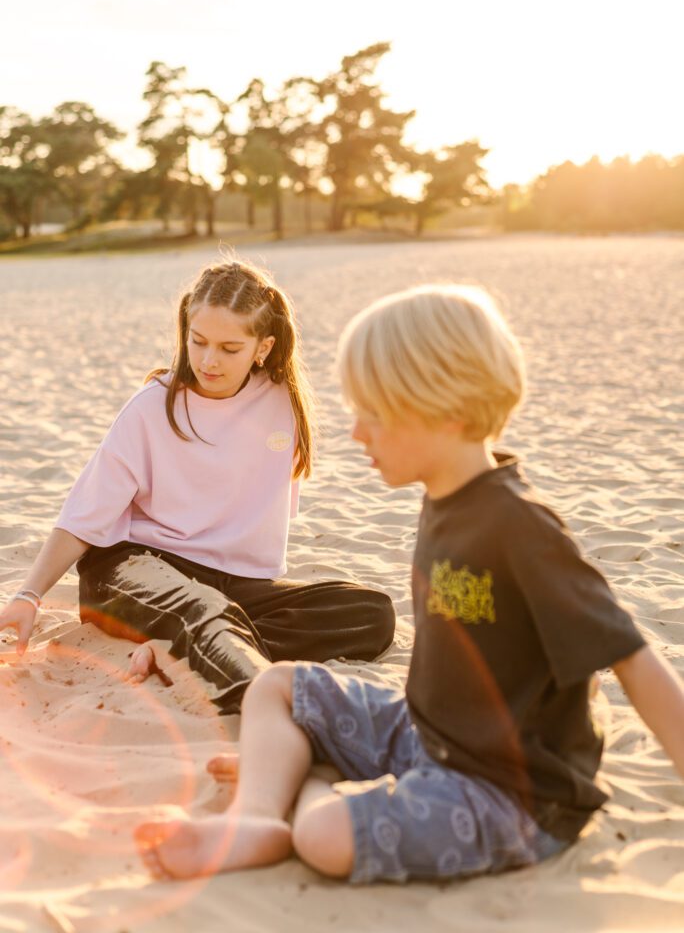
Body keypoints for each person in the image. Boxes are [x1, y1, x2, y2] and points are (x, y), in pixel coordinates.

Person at [133, 282, 684, 884]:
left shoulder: (522, 528)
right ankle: (258, 816)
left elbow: (632, 662)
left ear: (444, 411)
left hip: (511, 794)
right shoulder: (445, 499)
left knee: (324, 836)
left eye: (374, 414)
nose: (356, 434)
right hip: (429, 735)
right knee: (279, 689)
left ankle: (307, 786)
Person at [0, 258, 395, 714]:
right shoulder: (151, 408)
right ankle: (267, 701)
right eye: (198, 341)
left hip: (232, 586)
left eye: (230, 348)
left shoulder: (283, 402)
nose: (209, 360)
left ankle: (182, 650)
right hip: (133, 569)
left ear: (262, 347)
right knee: (205, 610)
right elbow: (84, 515)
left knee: (371, 612)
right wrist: (28, 595)